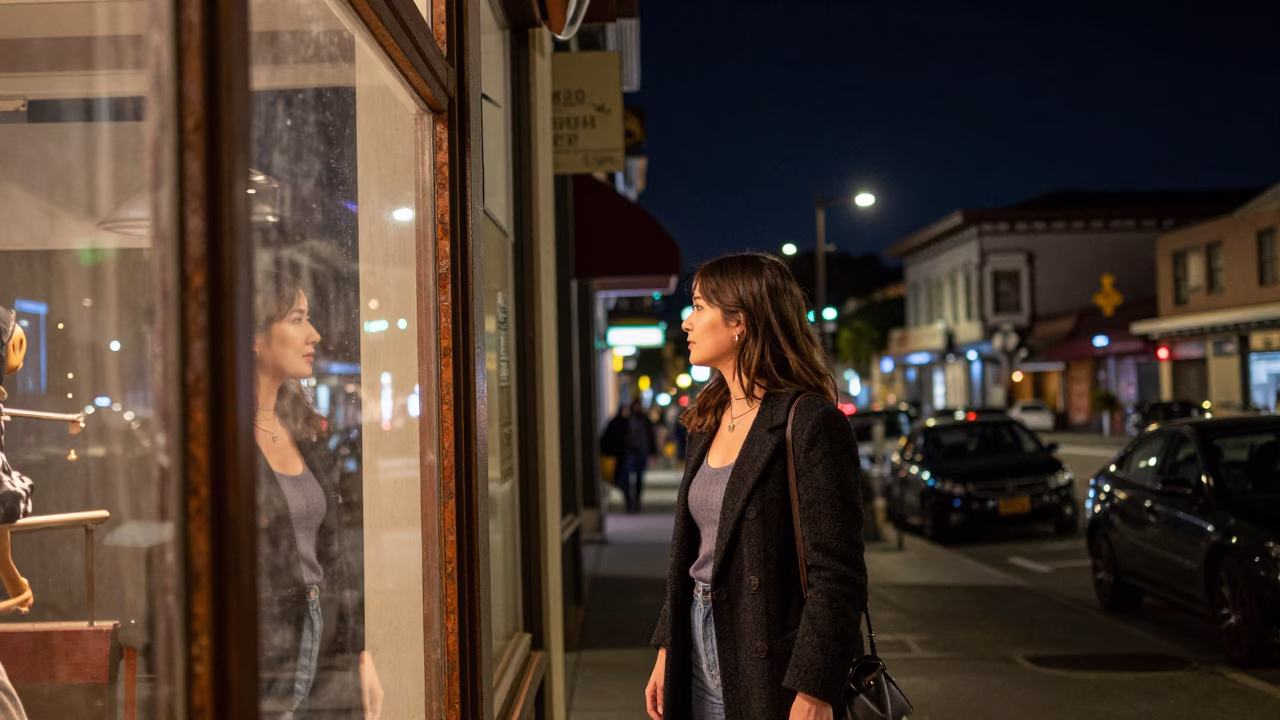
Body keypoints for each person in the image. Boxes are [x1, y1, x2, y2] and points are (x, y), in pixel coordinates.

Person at [644, 253, 867, 720]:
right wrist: (669, 646)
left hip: (769, 651)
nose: (686, 322)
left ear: (739, 323)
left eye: (700, 306)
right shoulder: (708, 417)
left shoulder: (807, 421)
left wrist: (815, 686)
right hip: (698, 644)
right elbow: (689, 551)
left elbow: (838, 573)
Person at [253, 273, 383, 719]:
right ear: (253, 339)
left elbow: (334, 551)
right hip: (268, 654)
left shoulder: (301, 428)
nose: (315, 334)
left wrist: (358, 655)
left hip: (324, 643)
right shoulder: (218, 445)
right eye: (297, 319)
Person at [622, 397, 657, 514]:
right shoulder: (627, 420)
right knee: (626, 478)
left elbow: (651, 436)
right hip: (630, 452)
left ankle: (636, 501)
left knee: (639, 478)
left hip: (641, 452)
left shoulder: (645, 420)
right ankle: (629, 501)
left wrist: (653, 452)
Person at [601, 403, 631, 492]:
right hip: (621, 455)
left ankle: (627, 496)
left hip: (616, 454)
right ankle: (627, 497)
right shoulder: (625, 423)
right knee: (623, 477)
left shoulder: (613, 422)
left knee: (621, 476)